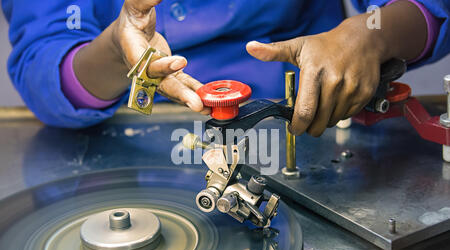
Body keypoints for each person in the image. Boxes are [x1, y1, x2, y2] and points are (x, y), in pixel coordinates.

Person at [2, 0, 449, 136]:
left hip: (320, 124)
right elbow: (45, 61)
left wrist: (373, 34)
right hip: (130, 145)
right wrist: (119, 54)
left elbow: (428, 7)